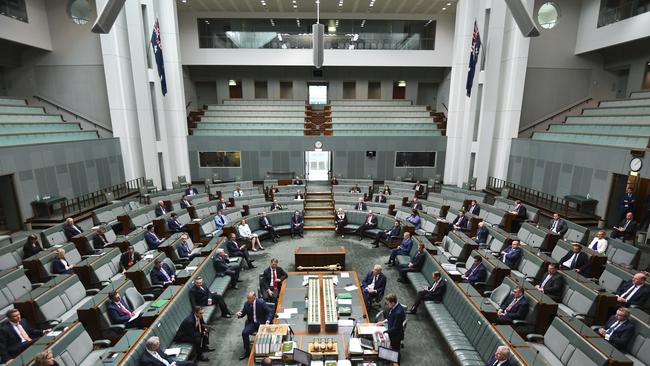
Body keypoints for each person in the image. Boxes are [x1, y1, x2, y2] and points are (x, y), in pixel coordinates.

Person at [237, 292, 273, 360]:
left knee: (264, 335)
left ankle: (265, 352)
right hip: (252, 323)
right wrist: (239, 314)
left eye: (250, 298)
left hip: (262, 323)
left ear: (254, 297)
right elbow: (243, 313)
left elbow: (270, 312)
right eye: (247, 298)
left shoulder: (261, 303)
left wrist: (267, 321)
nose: (248, 300)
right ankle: (247, 351)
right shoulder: (246, 304)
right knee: (244, 333)